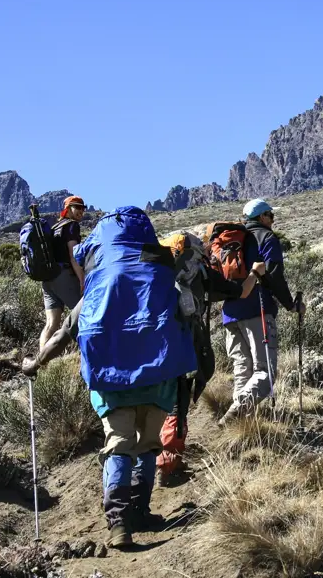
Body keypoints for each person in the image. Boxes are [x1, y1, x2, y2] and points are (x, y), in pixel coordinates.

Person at [22, 207, 198, 549]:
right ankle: (141, 511)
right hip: (158, 375)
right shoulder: (160, 273)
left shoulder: (98, 285)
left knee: (118, 444)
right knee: (148, 445)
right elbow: (187, 317)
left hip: (110, 377)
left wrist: (35, 363)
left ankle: (119, 524)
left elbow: (60, 336)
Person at [155, 233, 267, 485]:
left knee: (152, 403)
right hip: (181, 342)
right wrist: (256, 272)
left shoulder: (156, 271)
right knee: (177, 401)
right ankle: (168, 465)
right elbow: (240, 292)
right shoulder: (199, 272)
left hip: (148, 342)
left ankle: (135, 473)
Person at [217, 199, 305, 426]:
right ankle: (233, 416)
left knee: (242, 372)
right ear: (263, 217)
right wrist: (290, 305)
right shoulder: (266, 238)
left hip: (229, 314)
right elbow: (274, 276)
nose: (272, 221)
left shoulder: (232, 240)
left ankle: (240, 431)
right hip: (257, 310)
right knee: (265, 374)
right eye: (271, 216)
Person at [39, 196, 86, 352]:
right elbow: (74, 256)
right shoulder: (71, 226)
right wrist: (82, 280)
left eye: (83, 208)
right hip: (64, 277)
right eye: (77, 207)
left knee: (51, 324)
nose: (81, 211)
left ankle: (41, 364)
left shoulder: (54, 227)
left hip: (48, 279)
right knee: (84, 316)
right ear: (68, 209)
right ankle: (84, 358)